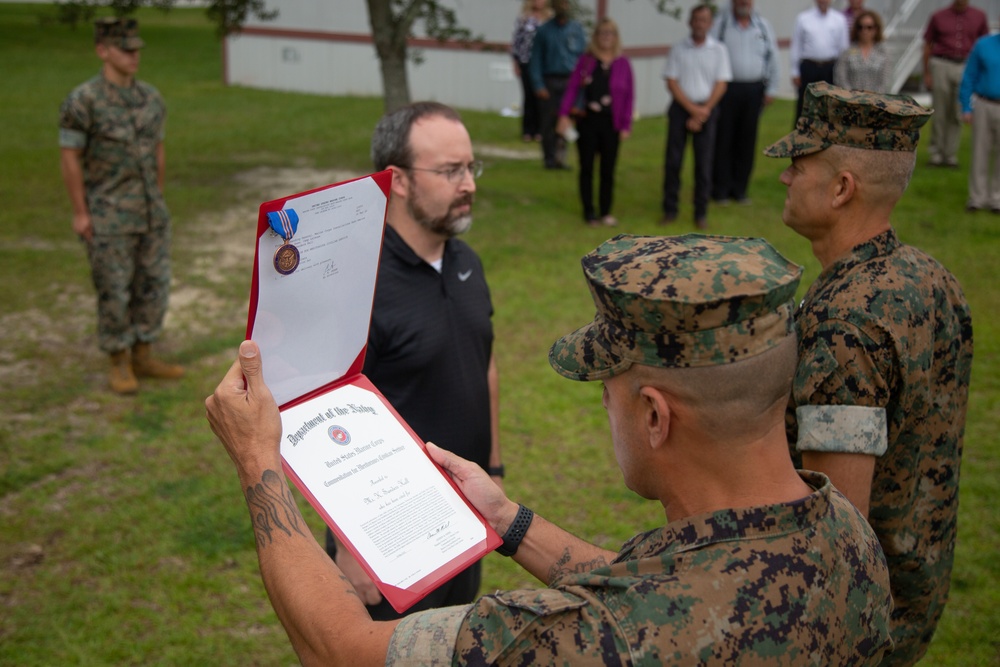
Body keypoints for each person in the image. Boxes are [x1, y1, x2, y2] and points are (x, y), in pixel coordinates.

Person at [206, 233, 895, 666]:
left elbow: (342, 651)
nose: (604, 405)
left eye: (609, 390)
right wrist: (509, 520)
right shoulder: (846, 538)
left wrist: (260, 463)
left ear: (654, 416)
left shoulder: (604, 639)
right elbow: (667, 582)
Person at [765, 82, 974, 666]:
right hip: (912, 589)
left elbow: (839, 521)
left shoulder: (847, 323)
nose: (786, 177)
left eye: (798, 164)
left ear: (841, 188)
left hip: (847, 622)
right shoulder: (930, 279)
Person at [322, 101, 503, 621]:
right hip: (387, 533)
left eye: (471, 167)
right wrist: (345, 545)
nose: (468, 183)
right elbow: (323, 422)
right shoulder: (359, 285)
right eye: (450, 171)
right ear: (397, 181)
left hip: (466, 514)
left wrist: (493, 470)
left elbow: (483, 364)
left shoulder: (467, 261)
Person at [59, 17, 184, 395]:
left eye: (136, 49)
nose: (133, 56)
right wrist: (81, 212)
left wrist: (157, 198)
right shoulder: (83, 102)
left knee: (154, 286)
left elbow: (158, 149)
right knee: (114, 291)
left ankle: (144, 353)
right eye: (125, 49)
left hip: (150, 213)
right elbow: (70, 157)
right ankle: (118, 359)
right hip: (108, 214)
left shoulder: (150, 98)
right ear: (103, 51)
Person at [556, 17, 634, 227]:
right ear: (596, 37)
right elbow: (573, 89)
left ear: (616, 37)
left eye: (610, 33)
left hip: (612, 122)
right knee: (587, 166)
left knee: (608, 168)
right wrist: (563, 114)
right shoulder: (587, 61)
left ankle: (606, 211)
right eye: (602, 33)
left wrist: (626, 125)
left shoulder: (623, 63)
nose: (606, 37)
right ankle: (589, 211)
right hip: (588, 121)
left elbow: (629, 96)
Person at [660, 4, 731, 229]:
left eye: (704, 20)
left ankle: (700, 213)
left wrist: (703, 111)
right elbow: (671, 81)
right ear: (690, 22)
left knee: (703, 164)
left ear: (710, 24)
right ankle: (670, 209)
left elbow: (722, 83)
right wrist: (692, 110)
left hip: (707, 109)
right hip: (682, 109)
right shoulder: (678, 49)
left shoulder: (718, 49)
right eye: (696, 19)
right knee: (673, 162)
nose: (700, 24)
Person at [709, 0, 780, 206]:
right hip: (727, 90)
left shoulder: (763, 26)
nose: (743, 2)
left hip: (754, 89)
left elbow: (773, 57)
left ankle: (740, 190)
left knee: (747, 141)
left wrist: (772, 89)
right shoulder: (721, 26)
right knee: (724, 140)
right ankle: (720, 189)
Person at [922, 0, 989, 168]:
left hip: (966, 65)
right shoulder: (938, 16)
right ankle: (936, 153)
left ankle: (950, 154)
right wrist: (927, 72)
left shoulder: (979, 16)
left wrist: (982, 74)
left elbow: (985, 46)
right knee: (939, 110)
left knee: (957, 111)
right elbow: (927, 45)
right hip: (941, 63)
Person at [528, 0, 586, 170]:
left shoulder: (576, 29)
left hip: (571, 80)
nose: (563, 7)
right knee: (548, 121)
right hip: (550, 80)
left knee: (566, 121)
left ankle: (561, 157)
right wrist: (538, 84)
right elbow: (535, 59)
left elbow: (583, 58)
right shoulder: (544, 31)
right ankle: (549, 159)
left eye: (566, 4)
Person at [959, 32, 1000, 213]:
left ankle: (997, 198)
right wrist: (967, 107)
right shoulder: (983, 45)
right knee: (980, 150)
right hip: (985, 103)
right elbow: (969, 76)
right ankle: (977, 197)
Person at [790, 0, 849, 121]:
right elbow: (796, 45)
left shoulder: (839, 19)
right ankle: (801, 135)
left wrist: (842, 73)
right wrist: (794, 71)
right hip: (809, 67)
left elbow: (843, 48)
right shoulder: (803, 18)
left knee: (828, 105)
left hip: (830, 68)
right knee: (804, 105)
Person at [510, 0, 552, 143]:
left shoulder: (549, 19)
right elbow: (517, 41)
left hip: (543, 64)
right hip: (526, 61)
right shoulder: (523, 19)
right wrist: (515, 61)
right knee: (528, 96)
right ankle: (528, 131)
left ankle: (541, 130)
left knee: (540, 96)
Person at [833, 10, 891, 93]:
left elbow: (886, 80)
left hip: (876, 101)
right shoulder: (847, 51)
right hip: (850, 100)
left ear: (876, 29)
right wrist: (852, 96)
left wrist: (874, 98)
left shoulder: (883, 52)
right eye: (860, 27)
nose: (865, 31)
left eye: (869, 27)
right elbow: (840, 77)